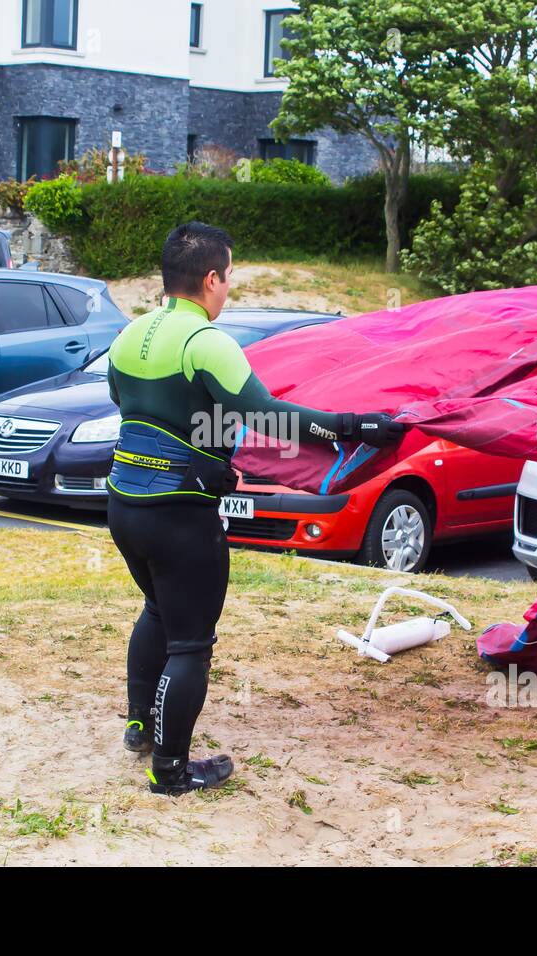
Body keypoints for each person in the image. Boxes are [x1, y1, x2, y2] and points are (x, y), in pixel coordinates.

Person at [105, 221, 404, 795]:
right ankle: (170, 771)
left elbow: (135, 409)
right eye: (229, 278)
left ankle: (140, 727)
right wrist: (352, 426)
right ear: (211, 278)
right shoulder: (205, 342)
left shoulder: (129, 334)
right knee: (191, 641)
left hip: (125, 504)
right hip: (179, 515)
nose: (228, 290)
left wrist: (204, 454)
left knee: (157, 611)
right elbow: (267, 415)